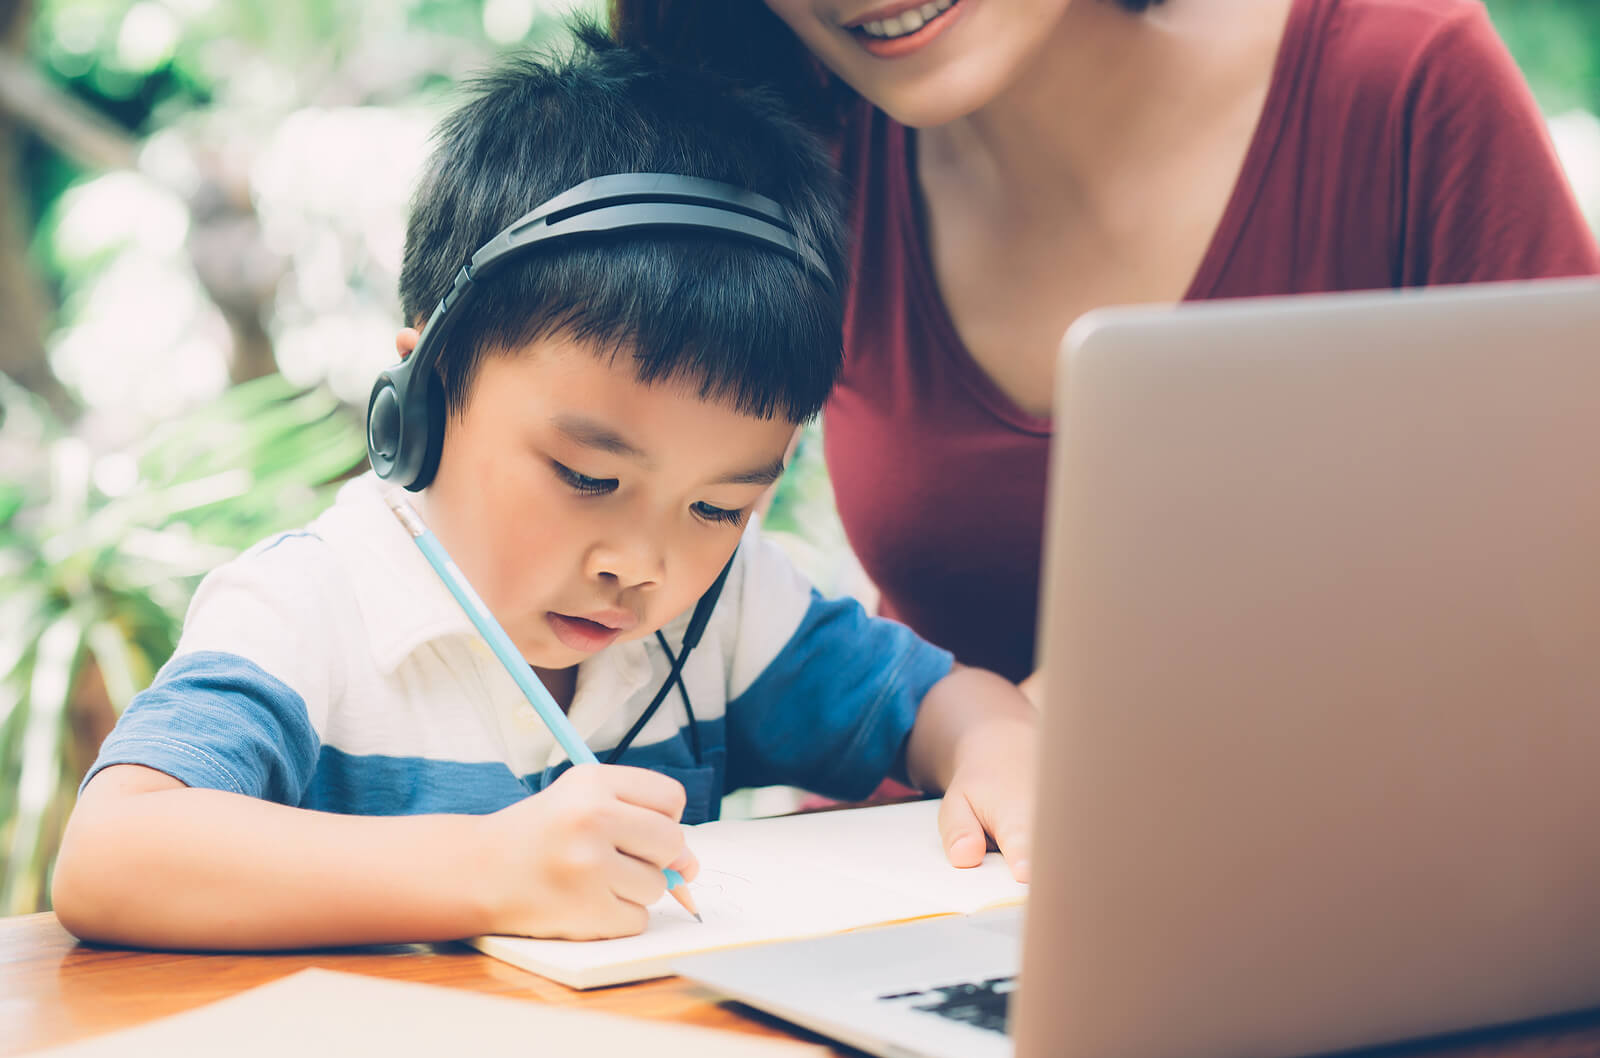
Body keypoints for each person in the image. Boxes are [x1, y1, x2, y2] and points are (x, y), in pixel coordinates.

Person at [49, 27, 1035, 951]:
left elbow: (940, 703)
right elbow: (110, 855)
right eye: (587, 477)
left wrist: (993, 746)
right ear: (422, 396)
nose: (640, 565)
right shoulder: (312, 610)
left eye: (717, 507)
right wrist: (486, 867)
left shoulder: (723, 615)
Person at [612, 0, 1600, 698]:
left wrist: (1103, 703)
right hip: (925, 883)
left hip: (1362, 891)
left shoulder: (1403, 75)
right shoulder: (798, 157)